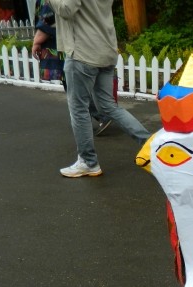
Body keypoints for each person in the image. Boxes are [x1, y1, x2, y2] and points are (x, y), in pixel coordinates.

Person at [48, 0, 152, 178]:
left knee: (79, 109)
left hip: (83, 52)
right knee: (108, 106)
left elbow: (66, 9)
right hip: (105, 50)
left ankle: (88, 162)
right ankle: (152, 143)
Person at [31, 0, 112, 136]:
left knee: (72, 86)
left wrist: (36, 41)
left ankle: (97, 117)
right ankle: (98, 115)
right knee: (76, 84)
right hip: (72, 41)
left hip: (60, 44)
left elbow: (49, 20)